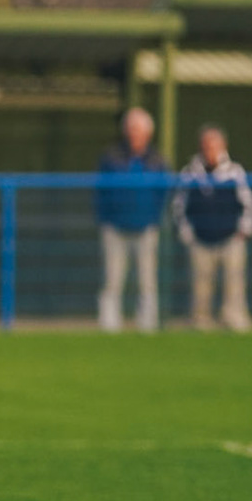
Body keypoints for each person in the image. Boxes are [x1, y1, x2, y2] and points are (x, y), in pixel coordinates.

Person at [172, 125, 252, 332]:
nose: (210, 150)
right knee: (200, 285)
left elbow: (249, 203)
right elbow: (179, 205)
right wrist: (186, 231)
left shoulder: (235, 172)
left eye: (214, 146)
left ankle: (234, 319)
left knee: (234, 283)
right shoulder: (190, 173)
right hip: (200, 239)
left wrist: (244, 229)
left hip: (231, 238)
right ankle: (201, 321)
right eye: (206, 146)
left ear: (223, 146)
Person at [94, 107, 170, 333]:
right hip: (114, 227)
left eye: (139, 129)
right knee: (112, 278)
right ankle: (109, 324)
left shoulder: (157, 160)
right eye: (131, 129)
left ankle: (147, 323)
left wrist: (153, 218)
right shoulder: (111, 157)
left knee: (147, 280)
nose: (135, 133)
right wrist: (105, 218)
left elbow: (163, 193)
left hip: (146, 227)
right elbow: (100, 191)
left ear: (148, 133)